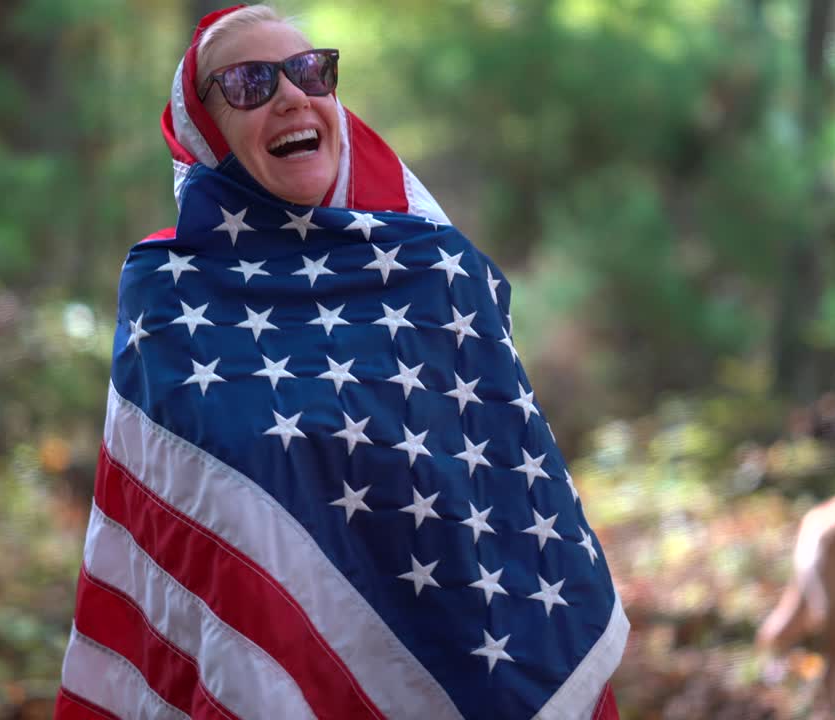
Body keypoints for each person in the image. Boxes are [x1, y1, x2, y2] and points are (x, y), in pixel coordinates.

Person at [55, 5, 627, 719]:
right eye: (249, 83)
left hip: (460, 653)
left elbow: (504, 495)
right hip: (262, 670)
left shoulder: (435, 271)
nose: (292, 94)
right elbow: (177, 524)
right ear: (206, 132)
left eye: (309, 70)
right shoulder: (167, 292)